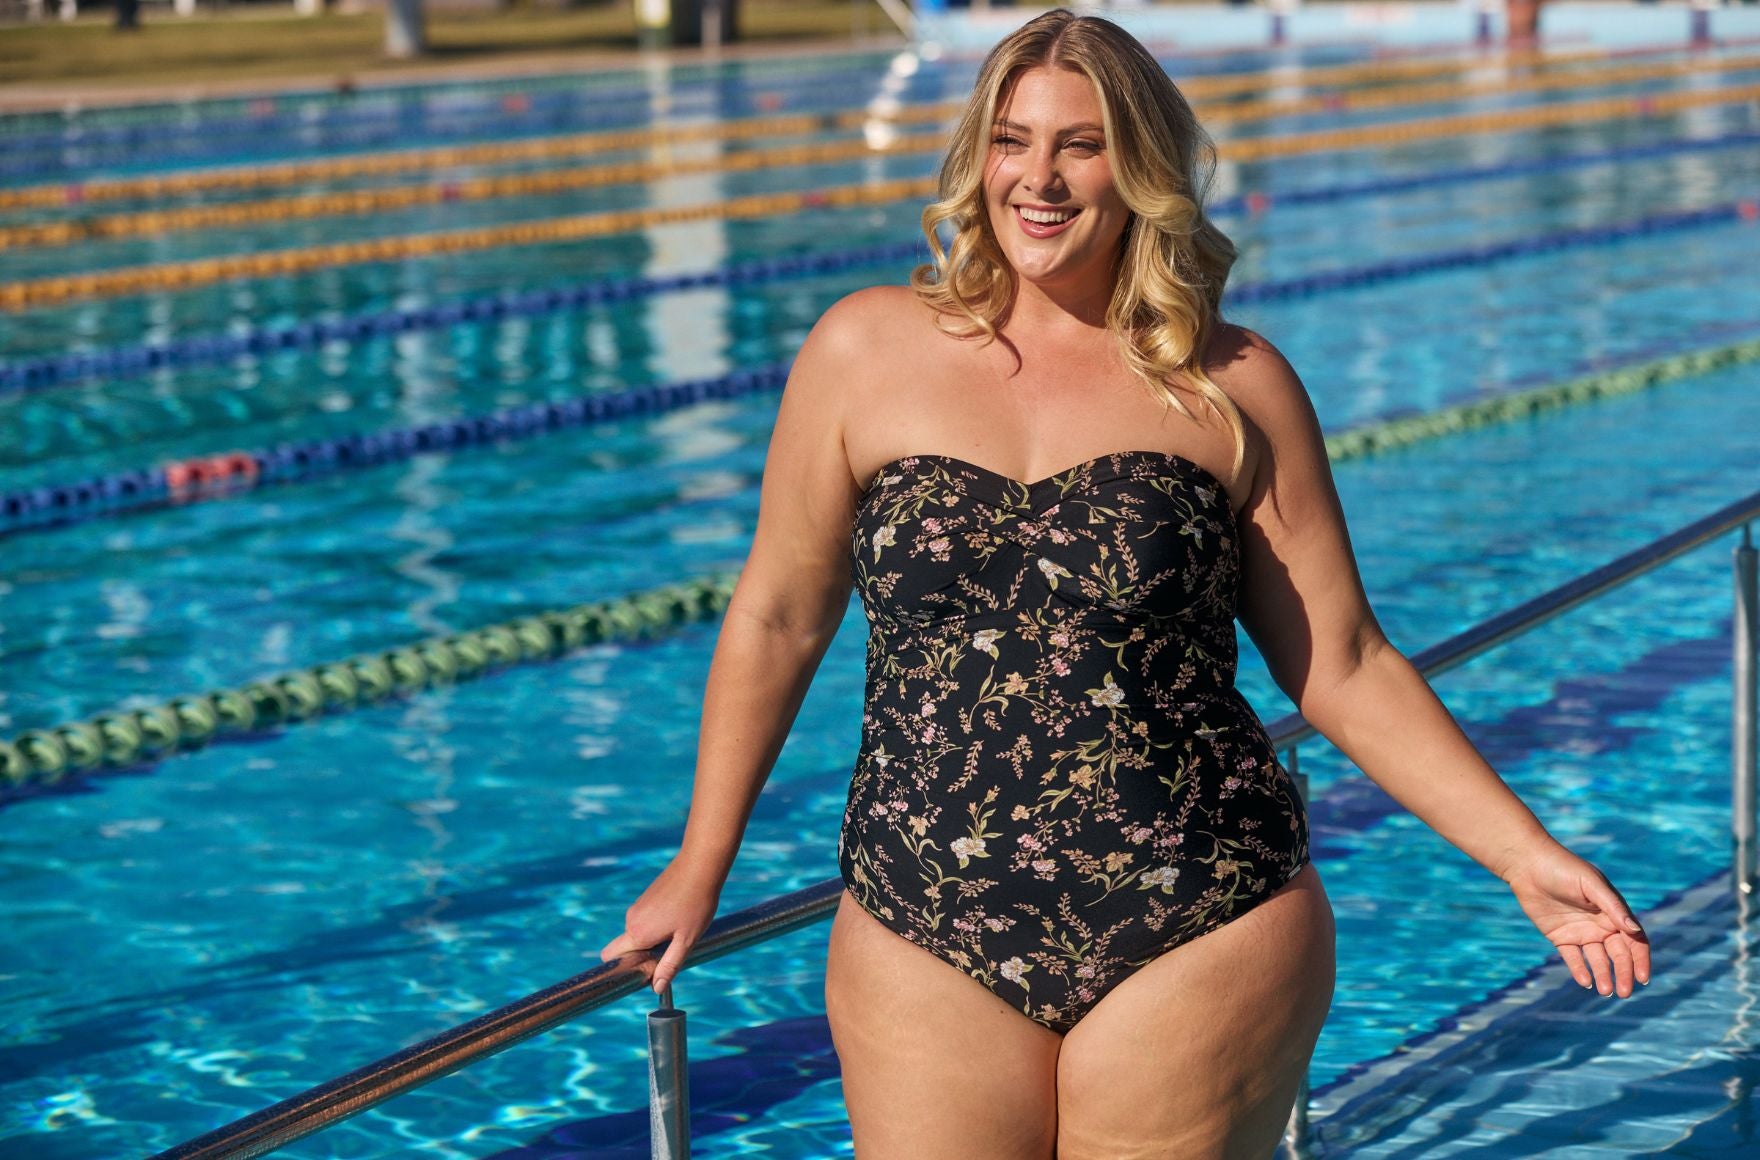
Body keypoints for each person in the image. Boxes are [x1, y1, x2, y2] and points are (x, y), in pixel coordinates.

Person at [599, 9, 1652, 1156]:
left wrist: (1522, 855)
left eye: (1080, 145)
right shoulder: (862, 350)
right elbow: (777, 613)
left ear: (1141, 170)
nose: (1036, 179)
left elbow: (1340, 661)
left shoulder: (1231, 384)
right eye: (1010, 141)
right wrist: (701, 862)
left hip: (1197, 906)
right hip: (923, 911)